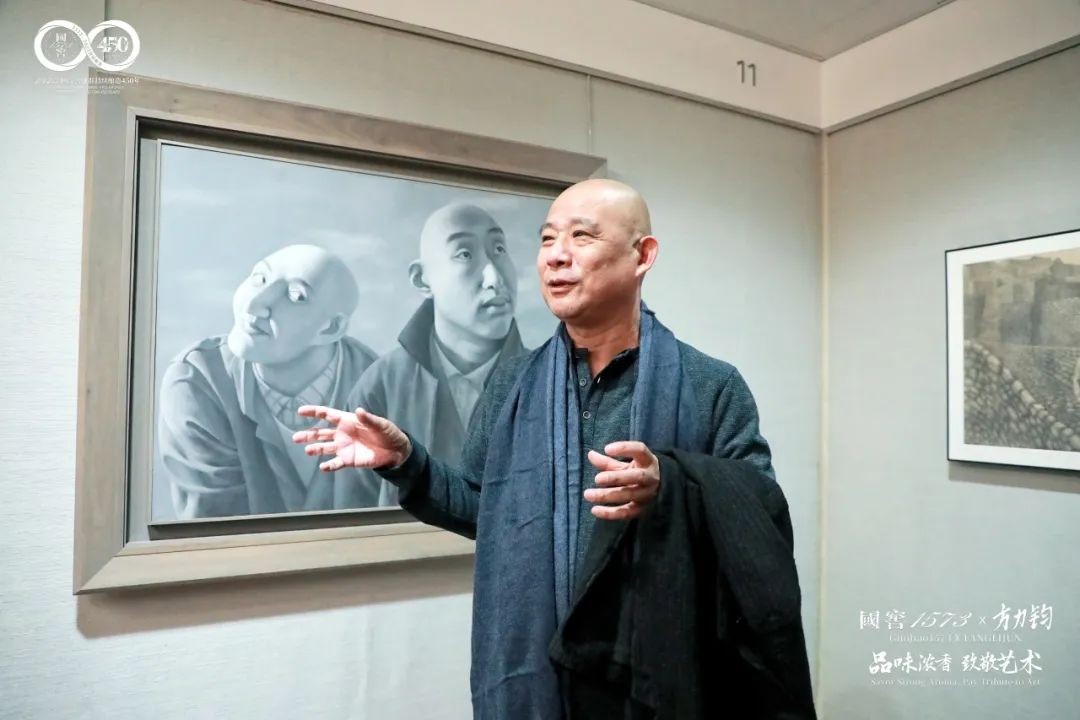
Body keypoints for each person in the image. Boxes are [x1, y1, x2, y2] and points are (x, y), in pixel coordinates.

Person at [294, 180, 815, 718]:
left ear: (642, 256)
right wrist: (406, 462)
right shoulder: (513, 382)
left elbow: (759, 519)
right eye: (547, 239)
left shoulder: (710, 385)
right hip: (538, 679)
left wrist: (673, 486)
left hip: (657, 680)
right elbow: (483, 508)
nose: (556, 256)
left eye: (581, 236)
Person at [158, 244, 379, 519]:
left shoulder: (381, 388)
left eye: (296, 296)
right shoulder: (198, 382)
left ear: (331, 328)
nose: (254, 306)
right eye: (260, 278)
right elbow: (214, 526)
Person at [342, 202, 526, 506]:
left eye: (498, 249)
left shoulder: (546, 379)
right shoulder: (382, 385)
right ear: (421, 278)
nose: (494, 279)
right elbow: (350, 514)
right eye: (465, 254)